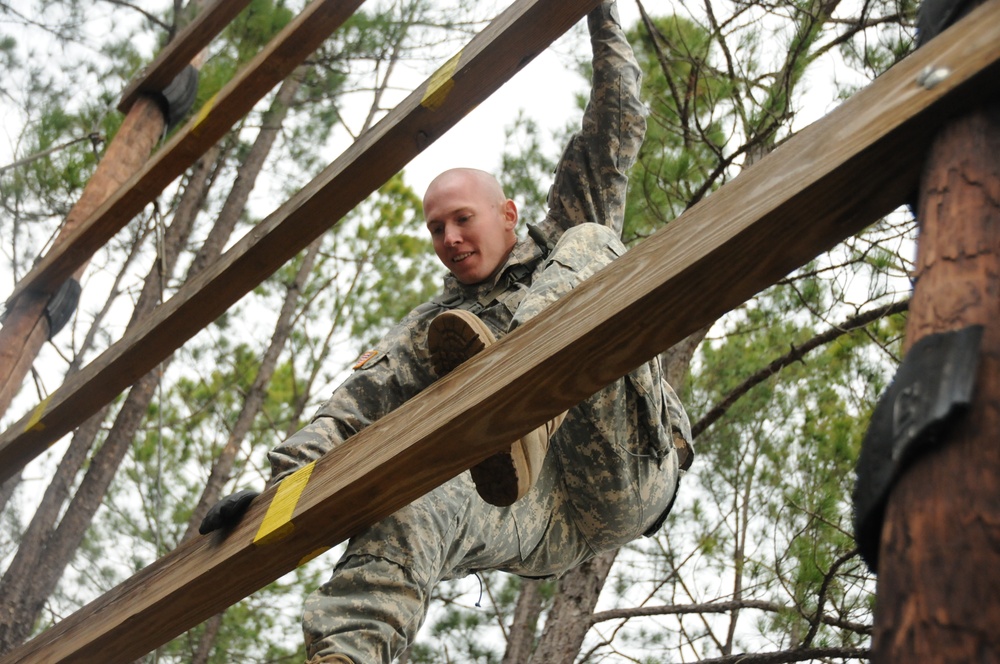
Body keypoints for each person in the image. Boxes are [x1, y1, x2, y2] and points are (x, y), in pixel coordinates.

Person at [200, 3, 692, 662]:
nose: (451, 240)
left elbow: (616, 122)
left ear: (508, 214)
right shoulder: (435, 329)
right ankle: (346, 654)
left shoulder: (557, 234)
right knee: (411, 502)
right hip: (534, 508)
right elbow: (351, 411)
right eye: (436, 229)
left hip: (619, 464)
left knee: (594, 242)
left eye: (462, 220)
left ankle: (522, 388)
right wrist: (273, 492)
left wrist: (598, 14)